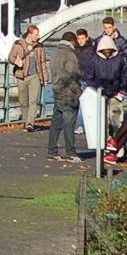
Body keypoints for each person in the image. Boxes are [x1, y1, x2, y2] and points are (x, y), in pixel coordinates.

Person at [81, 35, 127, 150]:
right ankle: (107, 144)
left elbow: (125, 76)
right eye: (105, 51)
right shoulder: (94, 60)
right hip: (99, 95)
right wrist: (95, 90)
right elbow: (88, 77)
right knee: (103, 121)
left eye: (109, 51)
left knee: (117, 120)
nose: (107, 54)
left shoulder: (119, 60)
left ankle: (117, 144)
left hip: (115, 94)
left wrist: (122, 91)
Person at [45, 33, 82, 162]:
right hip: (69, 94)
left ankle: (52, 151)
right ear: (72, 41)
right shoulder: (70, 56)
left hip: (57, 91)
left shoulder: (55, 55)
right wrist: (78, 91)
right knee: (69, 123)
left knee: (56, 123)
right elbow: (73, 76)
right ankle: (71, 152)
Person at [9, 24, 48, 131]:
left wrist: (45, 78)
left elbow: (42, 62)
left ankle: (30, 123)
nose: (38, 36)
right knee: (23, 101)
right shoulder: (18, 44)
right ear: (29, 34)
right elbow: (10, 57)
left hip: (35, 75)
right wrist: (16, 61)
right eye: (36, 34)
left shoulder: (39, 46)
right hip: (22, 76)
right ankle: (25, 122)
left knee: (33, 101)